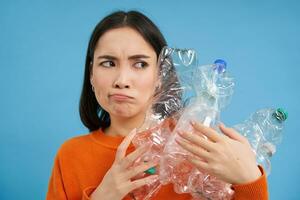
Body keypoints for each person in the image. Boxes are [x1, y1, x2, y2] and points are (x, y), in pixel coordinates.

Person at [46, 10, 268, 200]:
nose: (122, 80)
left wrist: (249, 181)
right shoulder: (71, 155)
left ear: (161, 74)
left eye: (140, 64)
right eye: (108, 63)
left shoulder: (196, 147)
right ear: (91, 74)